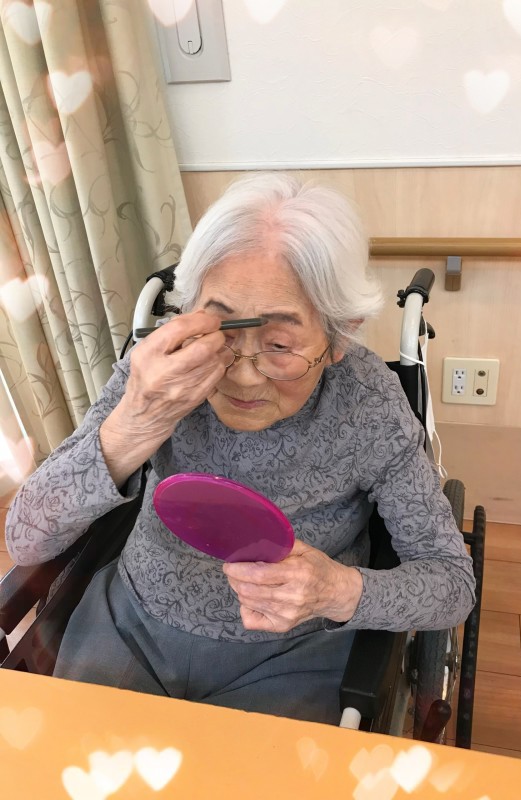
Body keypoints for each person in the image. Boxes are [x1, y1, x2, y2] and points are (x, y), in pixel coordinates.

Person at [5, 173, 475, 725]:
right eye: (223, 332)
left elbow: (451, 582)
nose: (245, 376)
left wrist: (336, 590)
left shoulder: (367, 401)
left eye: (279, 344)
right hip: (130, 625)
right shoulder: (161, 370)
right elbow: (25, 537)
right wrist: (135, 421)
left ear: (339, 336)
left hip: (294, 656)